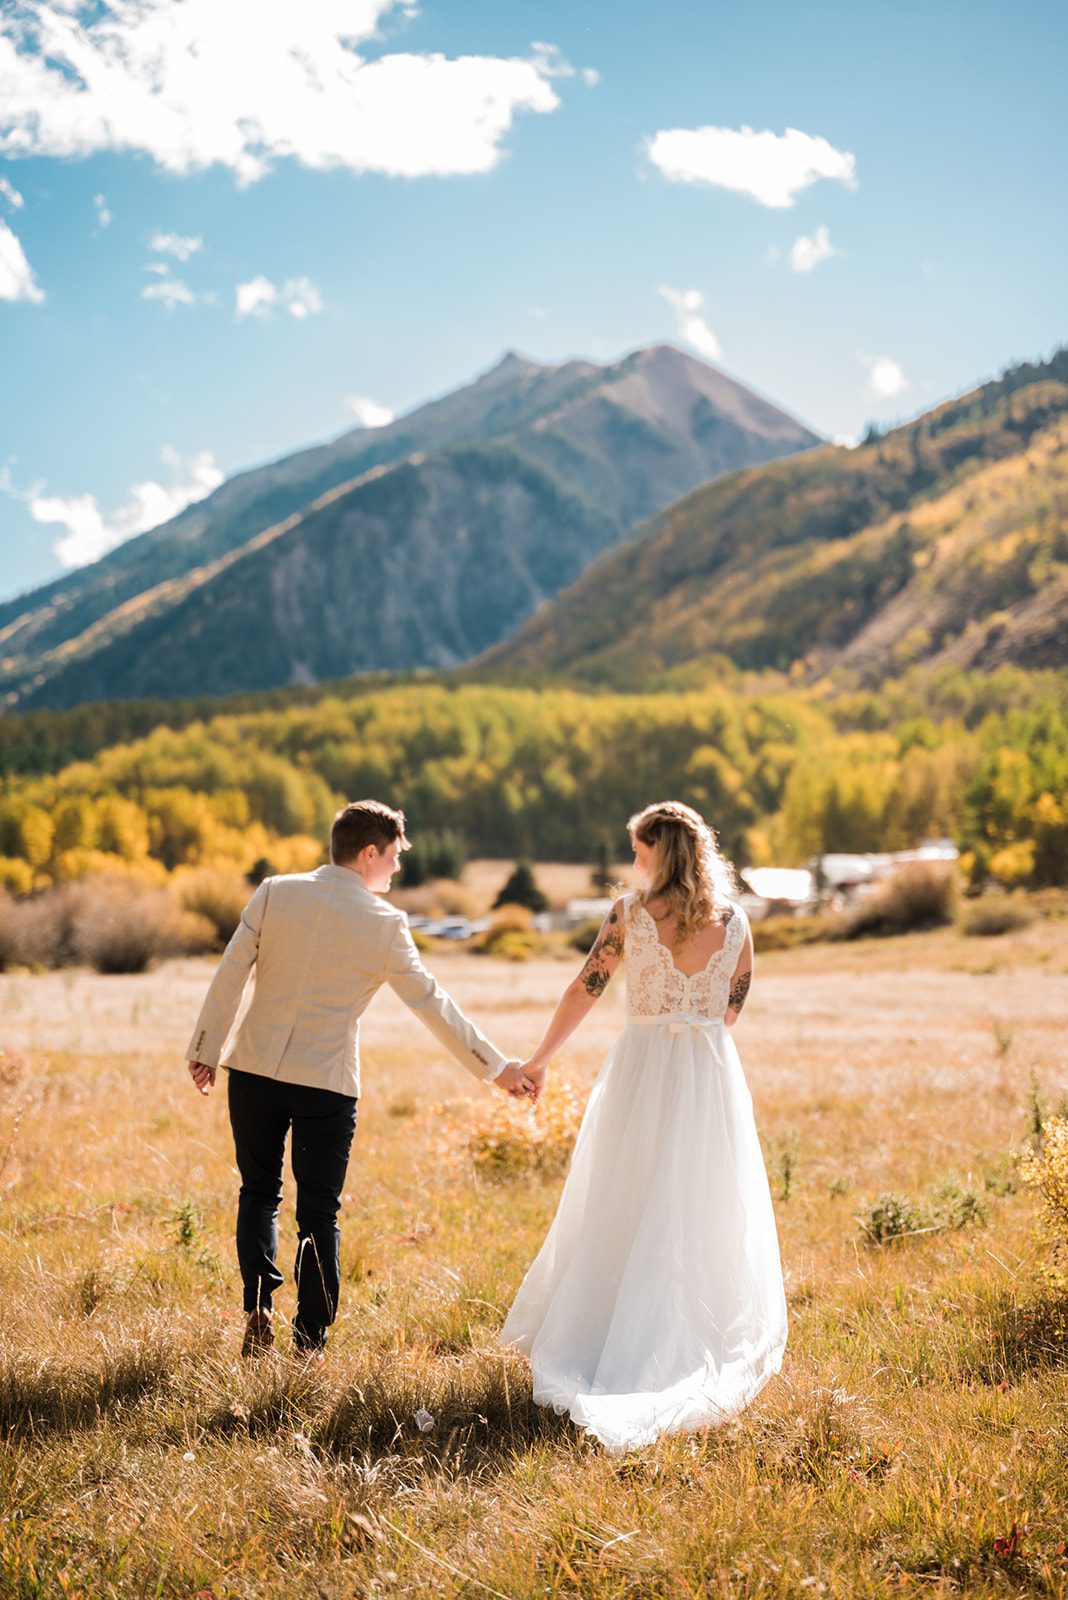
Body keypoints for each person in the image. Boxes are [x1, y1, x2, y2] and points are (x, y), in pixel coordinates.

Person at [186, 799, 533, 1357]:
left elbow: (231, 971)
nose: (396, 868)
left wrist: (206, 1048)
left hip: (252, 1071)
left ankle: (258, 1306)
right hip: (326, 1081)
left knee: (258, 1192)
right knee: (319, 1211)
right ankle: (310, 1339)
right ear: (369, 853)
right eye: (393, 856)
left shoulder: (275, 891)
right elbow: (432, 1004)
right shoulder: (385, 924)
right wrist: (497, 1068)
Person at [501, 800, 787, 1453]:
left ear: (657, 852)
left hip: (642, 1067)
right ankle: (700, 1331)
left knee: (623, 1193)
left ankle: (611, 1333)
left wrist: (539, 1060)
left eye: (639, 849)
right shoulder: (736, 922)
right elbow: (734, 1003)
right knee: (701, 1196)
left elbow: (586, 987)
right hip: (710, 1073)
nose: (634, 862)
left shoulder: (631, 915)